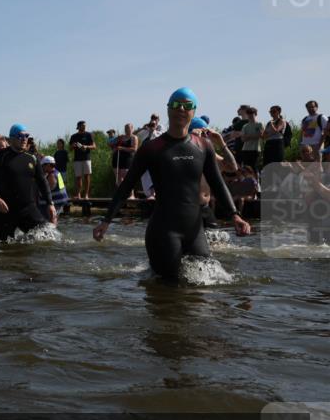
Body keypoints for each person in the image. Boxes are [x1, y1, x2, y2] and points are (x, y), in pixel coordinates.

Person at [94, 88, 250, 279]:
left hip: (194, 232)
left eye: (187, 106)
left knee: (207, 285)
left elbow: (218, 183)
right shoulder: (151, 148)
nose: (181, 109)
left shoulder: (203, 146)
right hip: (163, 231)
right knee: (168, 286)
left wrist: (235, 215)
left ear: (193, 111)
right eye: (176, 104)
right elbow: (126, 186)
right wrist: (106, 221)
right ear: (168, 109)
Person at [0, 123, 56, 241]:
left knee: (48, 236)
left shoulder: (32, 158)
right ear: (11, 139)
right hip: (4, 210)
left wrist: (50, 203)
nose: (24, 139)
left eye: (26, 136)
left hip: (27, 209)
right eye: (20, 136)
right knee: (4, 248)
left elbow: (42, 182)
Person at [69, 120, 95, 199]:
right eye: (82, 125)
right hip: (77, 159)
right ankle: (78, 194)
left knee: (87, 176)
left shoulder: (89, 134)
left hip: (86, 158)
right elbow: (70, 149)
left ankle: (86, 194)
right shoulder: (74, 136)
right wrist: (73, 146)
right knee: (78, 177)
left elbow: (94, 146)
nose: (84, 127)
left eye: (85, 125)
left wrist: (86, 146)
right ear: (78, 127)